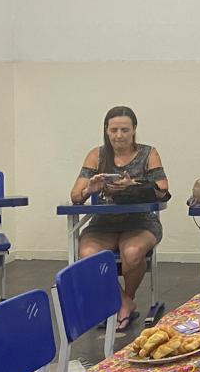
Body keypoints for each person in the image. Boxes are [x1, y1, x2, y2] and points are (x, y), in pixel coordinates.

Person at [69, 106, 170, 332]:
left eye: (124, 130)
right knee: (87, 255)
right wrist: (89, 190)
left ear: (134, 130)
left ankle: (126, 299)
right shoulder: (96, 155)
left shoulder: (148, 153)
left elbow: (162, 189)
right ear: (106, 130)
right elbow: (75, 196)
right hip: (103, 224)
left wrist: (133, 185)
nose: (118, 135)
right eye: (113, 130)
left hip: (141, 222)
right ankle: (124, 303)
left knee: (132, 252)